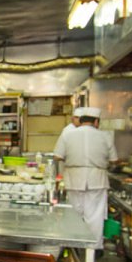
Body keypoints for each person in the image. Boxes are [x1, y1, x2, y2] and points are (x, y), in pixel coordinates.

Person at [53, 107, 118, 253]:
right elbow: (114, 160)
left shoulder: (68, 134)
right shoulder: (105, 136)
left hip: (74, 178)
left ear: (80, 121)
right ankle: (92, 251)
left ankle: (74, 248)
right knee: (95, 216)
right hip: (97, 180)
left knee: (74, 214)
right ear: (96, 122)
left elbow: (57, 156)